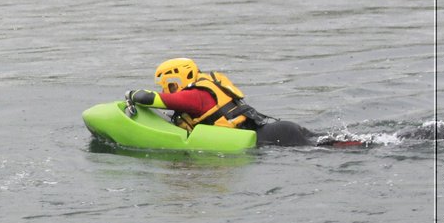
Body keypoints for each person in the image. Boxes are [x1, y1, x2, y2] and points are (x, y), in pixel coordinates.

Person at [125, 58, 314, 146]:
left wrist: (131, 94)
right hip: (277, 130)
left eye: (170, 85)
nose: (166, 91)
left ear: (180, 79)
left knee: (334, 149)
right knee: (332, 144)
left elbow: (147, 98)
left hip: (274, 136)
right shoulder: (204, 86)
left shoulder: (193, 95)